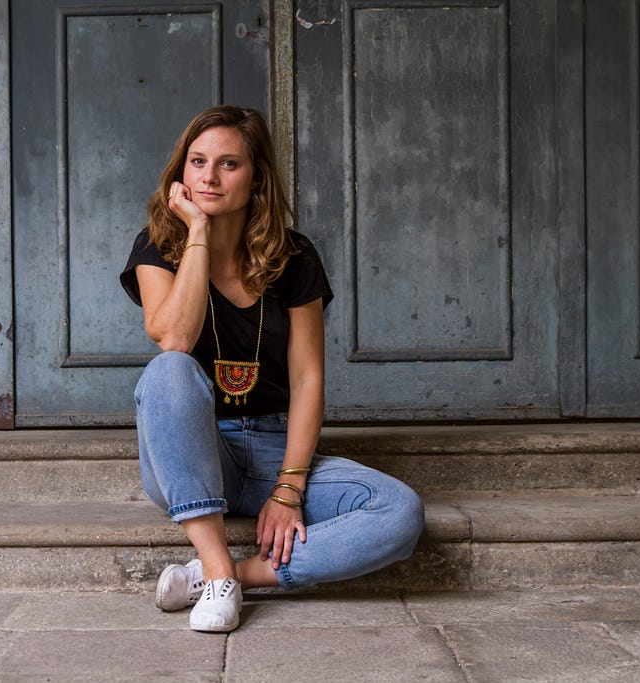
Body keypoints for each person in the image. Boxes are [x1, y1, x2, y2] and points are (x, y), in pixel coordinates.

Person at [119, 105, 424, 633]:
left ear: (256, 177)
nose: (209, 177)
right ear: (181, 172)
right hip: (194, 450)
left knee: (399, 512)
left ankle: (225, 576)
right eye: (197, 161)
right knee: (169, 370)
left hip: (272, 450)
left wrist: (289, 488)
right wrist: (197, 231)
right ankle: (219, 571)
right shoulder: (158, 244)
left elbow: (308, 381)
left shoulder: (294, 257)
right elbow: (175, 337)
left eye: (229, 164)